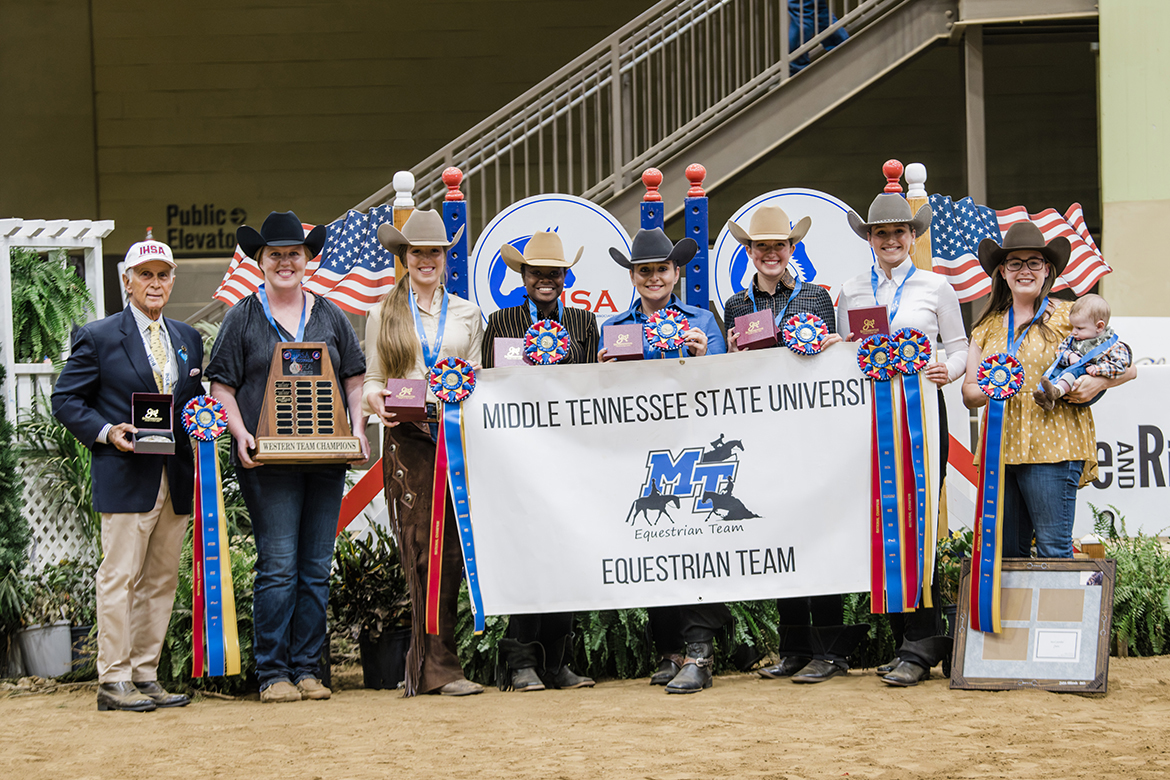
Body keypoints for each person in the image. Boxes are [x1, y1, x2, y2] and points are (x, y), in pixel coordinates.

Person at [207, 211, 368, 704]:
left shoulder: (330, 314)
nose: (284, 262)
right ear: (260, 261)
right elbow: (221, 387)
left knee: (316, 565)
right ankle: (273, 672)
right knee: (278, 565)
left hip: (325, 459)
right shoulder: (243, 316)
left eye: (293, 254)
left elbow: (355, 380)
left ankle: (308, 669)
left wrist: (358, 430)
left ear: (307, 259)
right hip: (268, 463)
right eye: (274, 254)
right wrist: (240, 436)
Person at [53, 237, 203, 712]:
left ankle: (144, 673)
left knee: (160, 580)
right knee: (119, 577)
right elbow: (66, 400)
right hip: (124, 472)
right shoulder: (99, 336)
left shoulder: (187, 337)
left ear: (172, 281)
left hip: (175, 474)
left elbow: (192, 404)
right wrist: (105, 431)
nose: (154, 283)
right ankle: (112, 679)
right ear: (127, 282)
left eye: (163, 275)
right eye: (145, 275)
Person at [721, 205, 863, 686]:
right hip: (765, 438)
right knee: (782, 534)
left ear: (792, 249)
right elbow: (730, 368)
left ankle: (829, 651)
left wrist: (831, 348)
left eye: (778, 245)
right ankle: (794, 649)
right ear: (749, 252)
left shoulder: (816, 300)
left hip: (814, 435)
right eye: (761, 246)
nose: (770, 254)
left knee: (820, 535)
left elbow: (834, 355)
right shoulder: (736, 307)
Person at [838, 192, 969, 687]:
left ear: (913, 237)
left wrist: (949, 368)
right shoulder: (852, 289)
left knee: (920, 519)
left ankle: (922, 640)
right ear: (869, 239)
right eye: (881, 233)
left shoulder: (937, 286)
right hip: (869, 417)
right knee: (883, 517)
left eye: (899, 232)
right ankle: (907, 641)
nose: (890, 240)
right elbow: (844, 350)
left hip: (919, 416)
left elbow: (958, 345)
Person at [363, 209, 485, 697]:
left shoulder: (467, 314)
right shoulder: (381, 314)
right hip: (408, 437)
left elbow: (475, 377)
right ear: (405, 257)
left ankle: (438, 663)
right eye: (418, 252)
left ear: (445, 257)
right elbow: (374, 379)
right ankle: (428, 665)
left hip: (454, 437)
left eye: (435, 251)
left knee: (451, 550)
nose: (427, 260)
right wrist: (376, 402)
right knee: (418, 549)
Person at [962, 221, 1135, 561]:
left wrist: (1098, 382)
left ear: (1047, 270)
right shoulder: (987, 326)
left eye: (1033, 262)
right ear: (1002, 271)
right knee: (1007, 556)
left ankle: (1059, 617)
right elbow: (969, 392)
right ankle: (1011, 618)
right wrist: (994, 386)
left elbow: (1127, 365)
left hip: (1053, 448)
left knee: (1053, 551)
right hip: (1002, 449)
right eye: (1015, 263)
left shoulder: (1070, 318)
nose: (1024, 270)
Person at [603, 227, 728, 694]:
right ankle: (670, 650)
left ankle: (700, 651)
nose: (654, 277)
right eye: (644, 271)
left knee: (694, 542)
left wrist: (703, 357)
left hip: (694, 445)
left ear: (677, 272)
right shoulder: (615, 327)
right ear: (633, 276)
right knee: (654, 546)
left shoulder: (703, 321)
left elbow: (726, 385)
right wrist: (604, 374)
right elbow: (606, 398)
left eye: (661, 269)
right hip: (643, 450)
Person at [481, 231, 596, 692]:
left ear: (565, 277)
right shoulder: (501, 321)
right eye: (536, 273)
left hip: (570, 453)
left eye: (553, 273)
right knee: (527, 553)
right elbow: (489, 383)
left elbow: (592, 387)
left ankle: (555, 661)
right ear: (522, 277)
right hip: (518, 455)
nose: (545, 280)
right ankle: (521, 660)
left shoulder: (584, 324)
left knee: (564, 555)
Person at [1034, 293, 1131, 410]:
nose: (1073, 332)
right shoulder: (1074, 338)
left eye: (1079, 328)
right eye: (1073, 327)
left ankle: (1057, 391)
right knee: (1053, 371)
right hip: (1068, 372)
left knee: (1073, 372)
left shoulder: (1112, 345)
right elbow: (1060, 350)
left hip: (1086, 378)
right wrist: (1069, 355)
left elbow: (1121, 365)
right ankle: (1048, 399)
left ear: (1099, 327)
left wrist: (1098, 369)